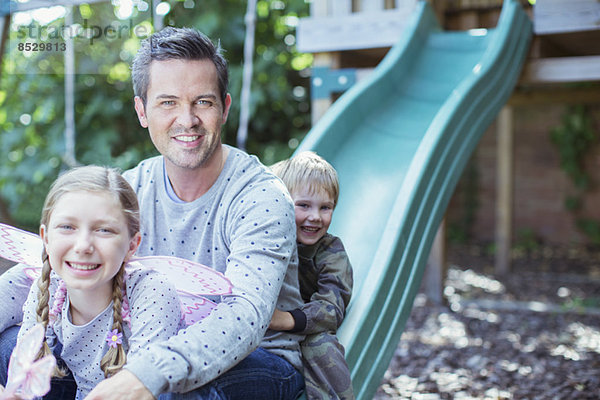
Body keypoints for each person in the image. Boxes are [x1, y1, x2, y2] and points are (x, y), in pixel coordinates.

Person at [0, 27, 305, 400]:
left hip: (254, 360)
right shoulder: (130, 188)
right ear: (142, 111)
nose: (187, 119)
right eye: (168, 103)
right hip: (136, 344)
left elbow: (244, 317)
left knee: (168, 391)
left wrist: (145, 376)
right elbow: (46, 270)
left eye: (203, 103)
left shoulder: (260, 197)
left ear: (224, 108)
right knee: (16, 348)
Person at [12, 166, 183, 400]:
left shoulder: (151, 291)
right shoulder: (49, 287)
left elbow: (143, 387)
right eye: (67, 227)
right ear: (46, 238)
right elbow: (23, 378)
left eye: (104, 230)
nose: (83, 245)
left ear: (132, 245)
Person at [269, 152, 355, 400]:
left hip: (305, 324)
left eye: (325, 207)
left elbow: (331, 307)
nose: (315, 216)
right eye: (303, 205)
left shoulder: (331, 251)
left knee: (323, 346)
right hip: (267, 328)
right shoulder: (270, 239)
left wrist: (287, 320)